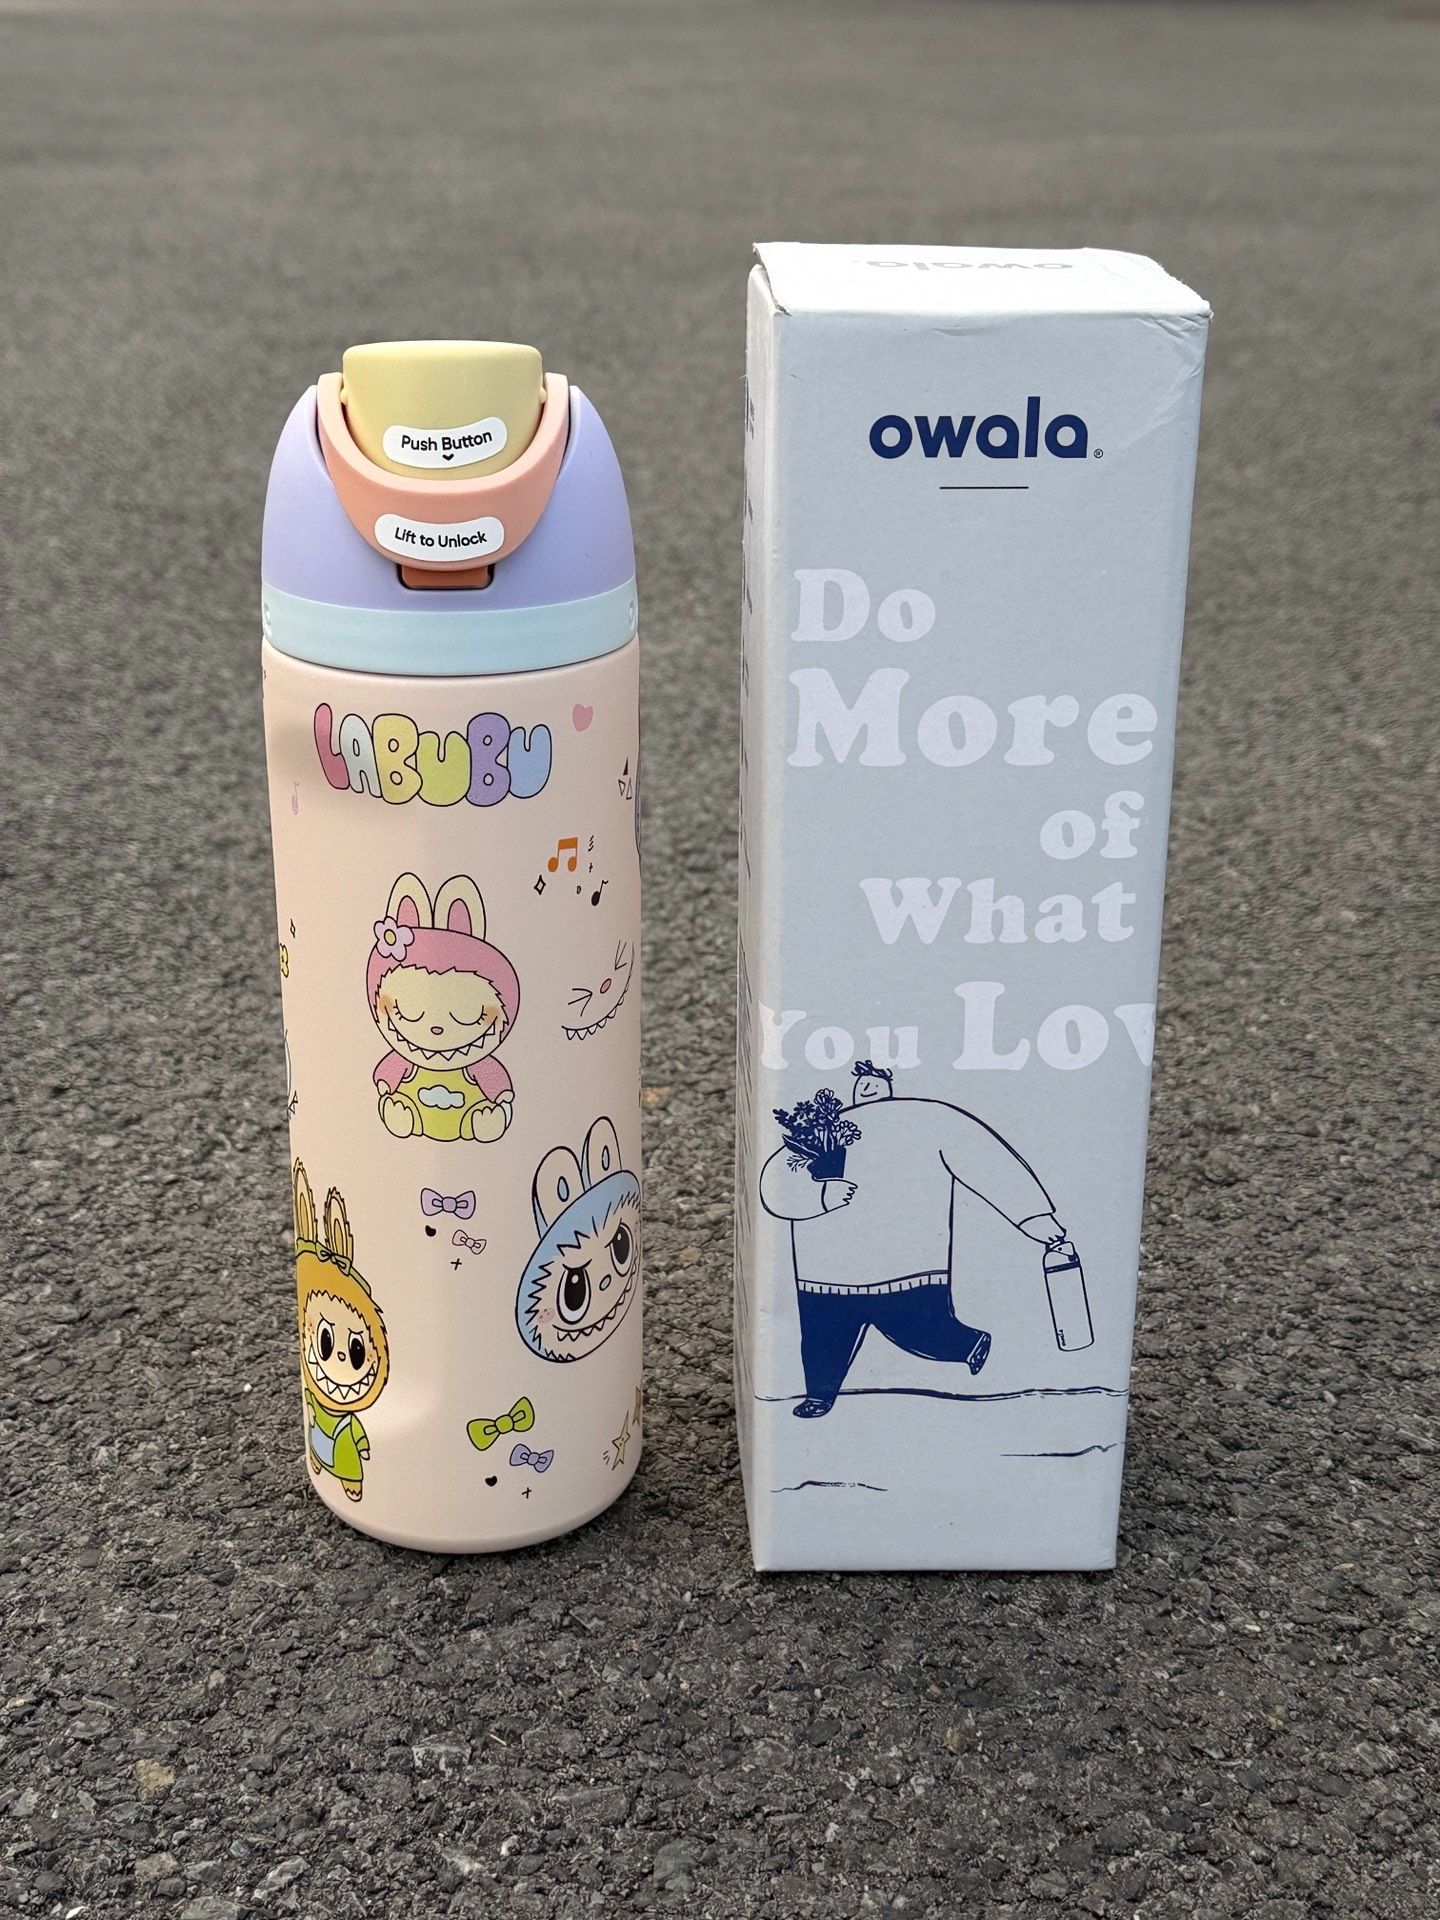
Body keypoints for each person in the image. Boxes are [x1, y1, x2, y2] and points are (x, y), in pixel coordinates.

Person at [759, 1063, 1068, 1417]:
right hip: (826, 1270)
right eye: (864, 1078)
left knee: (921, 1331)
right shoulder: (818, 1131)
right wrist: (821, 1197)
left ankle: (969, 1344)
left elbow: (988, 1161)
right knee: (824, 1341)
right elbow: (777, 1181)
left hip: (907, 1264)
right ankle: (819, 1394)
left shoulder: (931, 1119)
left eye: (878, 1077)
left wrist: (1033, 1216)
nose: (869, 1086)